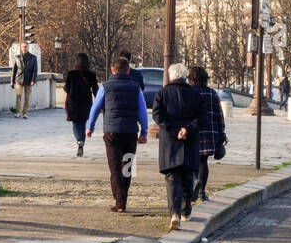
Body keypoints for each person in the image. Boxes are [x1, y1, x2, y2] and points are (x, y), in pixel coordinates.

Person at [85, 57, 149, 212]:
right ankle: (123, 198)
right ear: (128, 70)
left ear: (112, 70)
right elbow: (142, 110)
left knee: (114, 168)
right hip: (130, 132)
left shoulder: (106, 86)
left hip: (112, 132)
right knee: (127, 167)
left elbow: (95, 108)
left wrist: (90, 126)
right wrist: (144, 131)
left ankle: (120, 202)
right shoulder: (135, 87)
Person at [152, 63, 201, 230]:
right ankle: (186, 211)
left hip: (170, 144)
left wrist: (174, 131)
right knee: (188, 178)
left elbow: (157, 115)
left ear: (171, 77)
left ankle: (174, 214)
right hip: (190, 142)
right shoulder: (195, 94)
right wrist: (187, 129)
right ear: (185, 76)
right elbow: (201, 118)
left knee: (172, 179)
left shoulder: (163, 93)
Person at [189, 65, 226, 203]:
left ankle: (194, 183)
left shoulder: (189, 92)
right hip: (210, 132)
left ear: (192, 79)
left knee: (192, 160)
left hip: (193, 131)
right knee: (203, 161)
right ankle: (202, 191)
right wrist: (221, 134)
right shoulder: (212, 93)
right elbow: (219, 115)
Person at [63, 53, 100, 157]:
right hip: (86, 101)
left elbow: (66, 89)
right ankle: (81, 142)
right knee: (83, 123)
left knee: (75, 124)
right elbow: (96, 90)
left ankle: (79, 140)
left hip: (73, 101)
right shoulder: (91, 75)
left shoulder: (71, 74)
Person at [11, 41, 38, 118]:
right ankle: (18, 112)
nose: (24, 48)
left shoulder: (33, 58)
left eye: (25, 46)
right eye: (23, 47)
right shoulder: (17, 57)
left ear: (28, 47)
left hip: (29, 80)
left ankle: (25, 113)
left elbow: (35, 70)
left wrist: (33, 80)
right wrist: (12, 81)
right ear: (21, 48)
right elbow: (14, 70)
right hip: (19, 79)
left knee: (27, 98)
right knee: (18, 96)